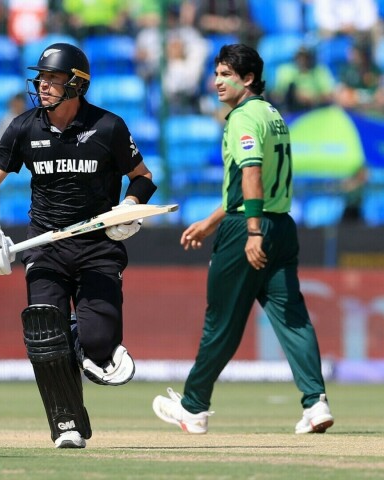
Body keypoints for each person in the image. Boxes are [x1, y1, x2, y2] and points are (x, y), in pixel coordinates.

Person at [0, 43, 155, 449]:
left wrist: (129, 208)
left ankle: (81, 338)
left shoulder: (109, 127)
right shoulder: (23, 127)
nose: (43, 86)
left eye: (53, 80)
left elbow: (143, 178)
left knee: (99, 347)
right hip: (46, 248)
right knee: (43, 333)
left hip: (98, 248)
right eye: (41, 79)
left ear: (77, 84)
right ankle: (65, 424)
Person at [152, 43, 334, 435]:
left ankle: (193, 408)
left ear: (247, 78)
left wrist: (250, 230)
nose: (216, 82)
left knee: (220, 323)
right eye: (216, 73)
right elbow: (254, 184)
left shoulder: (242, 118)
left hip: (248, 230)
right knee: (293, 318)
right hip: (281, 224)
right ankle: (315, 403)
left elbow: (251, 175)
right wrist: (212, 221)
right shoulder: (273, 114)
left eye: (225, 74)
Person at [270, 45, 335, 114]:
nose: (302, 60)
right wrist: (294, 94)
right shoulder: (286, 71)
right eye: (299, 57)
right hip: (292, 111)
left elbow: (329, 95)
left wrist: (313, 97)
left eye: (305, 57)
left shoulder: (320, 71)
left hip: (315, 111)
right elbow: (276, 95)